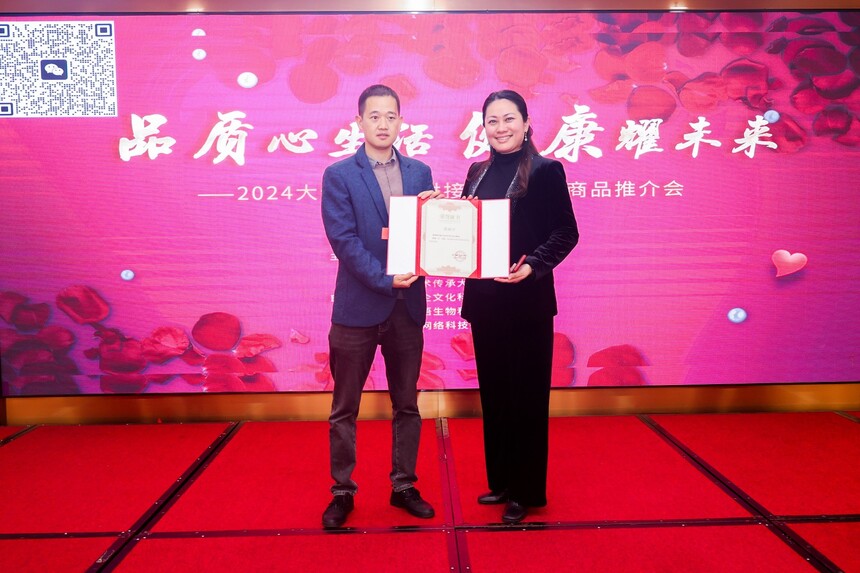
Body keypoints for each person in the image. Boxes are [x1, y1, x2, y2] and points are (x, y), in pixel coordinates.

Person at [320, 84, 437, 528]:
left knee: (407, 404)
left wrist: (440, 220)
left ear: (401, 121)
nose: (383, 124)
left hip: (407, 308)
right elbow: (344, 240)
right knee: (344, 408)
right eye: (374, 116)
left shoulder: (421, 173)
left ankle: (403, 485)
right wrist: (385, 279)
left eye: (391, 116)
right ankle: (342, 491)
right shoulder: (339, 175)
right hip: (357, 309)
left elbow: (429, 235)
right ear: (359, 122)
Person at [460, 90, 579, 524]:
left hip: (527, 302)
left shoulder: (546, 171)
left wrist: (532, 266)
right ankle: (502, 481)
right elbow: (465, 230)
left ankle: (525, 491)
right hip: (485, 303)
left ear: (526, 123)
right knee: (495, 396)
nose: (501, 128)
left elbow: (565, 232)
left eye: (509, 119)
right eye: (492, 121)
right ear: (484, 128)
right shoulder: (476, 172)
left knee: (527, 397)